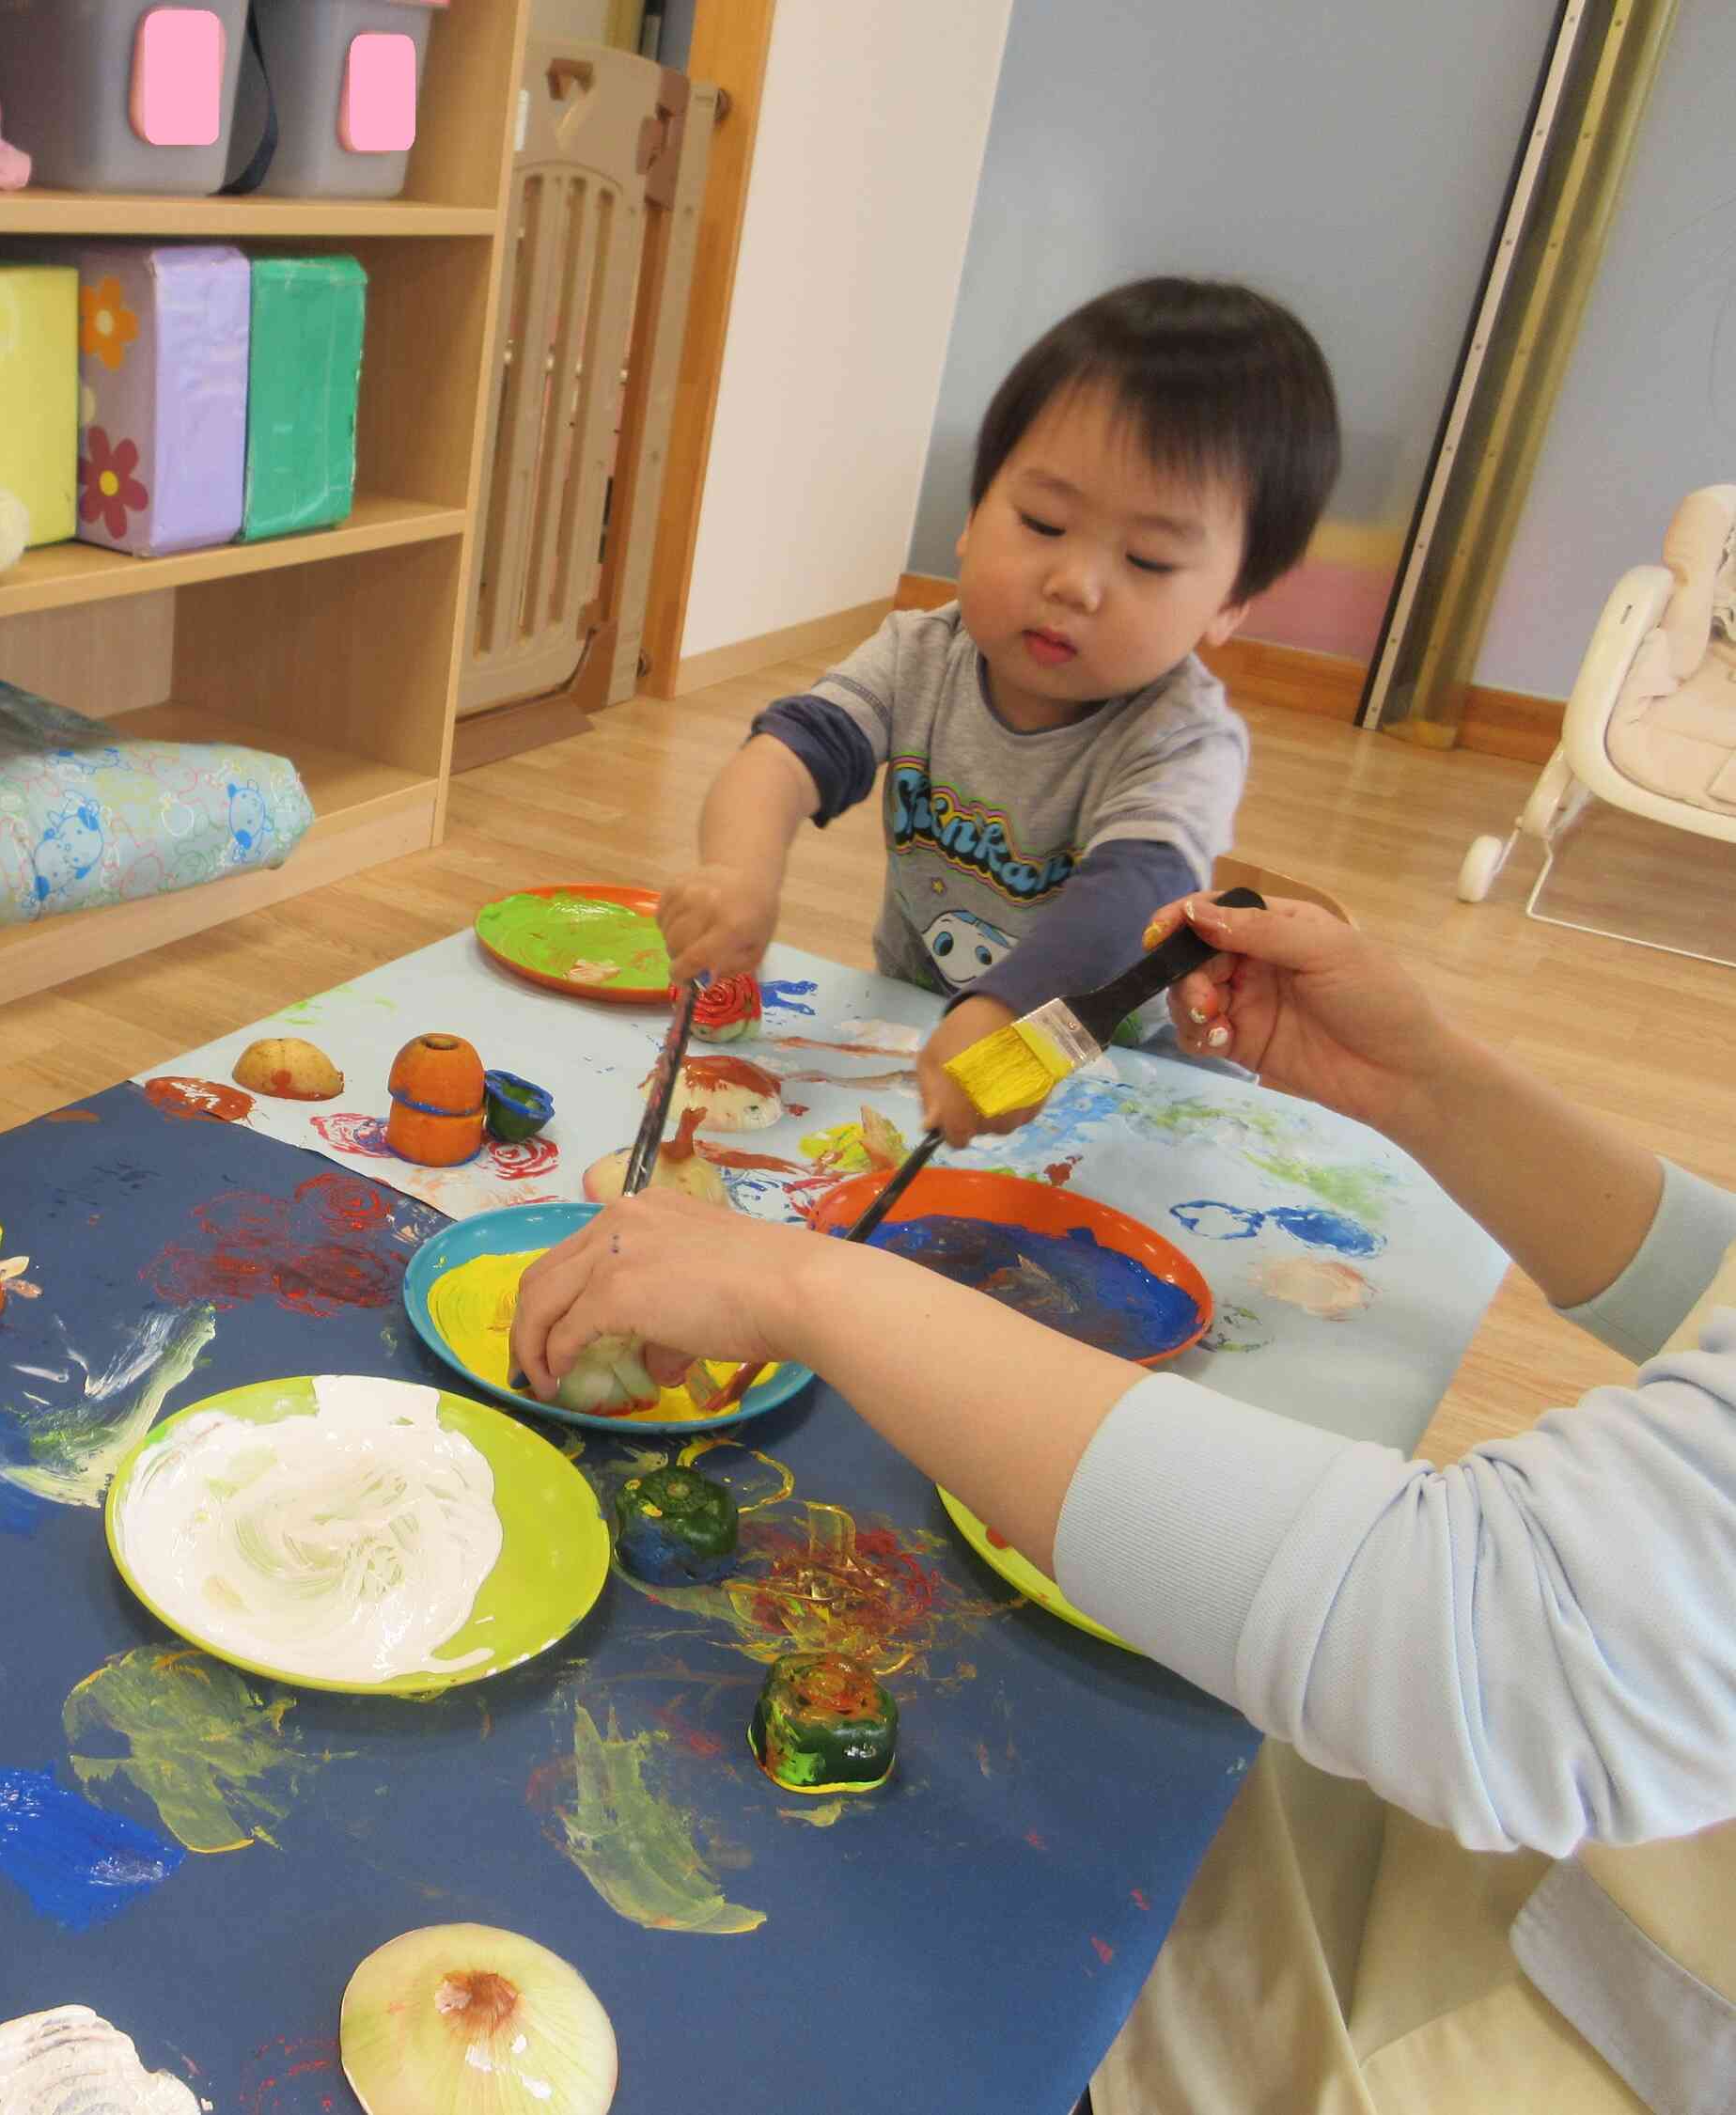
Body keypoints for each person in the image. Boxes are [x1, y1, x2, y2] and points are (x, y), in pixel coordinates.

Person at [513, 893, 1736, 2112]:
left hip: (1414, 2031)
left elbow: (1504, 1648)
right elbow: (1711, 1287)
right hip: (1336, 1843)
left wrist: (810, 1288)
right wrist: (1421, 1082)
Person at [657, 276, 1339, 1145]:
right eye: (1044, 521)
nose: (1074, 583)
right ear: (974, 515)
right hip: (935, 1035)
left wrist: (1004, 1008)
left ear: (1231, 602)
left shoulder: (1182, 737)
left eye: (1147, 559)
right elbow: (786, 756)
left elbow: (1134, 894)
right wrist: (740, 872)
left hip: (1128, 1088)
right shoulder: (919, 655)